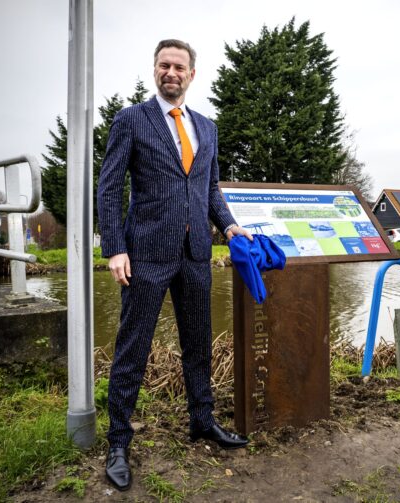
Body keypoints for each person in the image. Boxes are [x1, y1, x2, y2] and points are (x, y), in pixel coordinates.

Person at [97, 39, 253, 491]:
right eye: (164, 65)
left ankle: (202, 421)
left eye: (179, 66)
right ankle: (119, 441)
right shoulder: (131, 120)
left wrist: (229, 227)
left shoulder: (207, 126)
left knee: (199, 344)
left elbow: (211, 189)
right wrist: (114, 247)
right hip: (144, 254)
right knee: (132, 350)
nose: (171, 72)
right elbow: (109, 189)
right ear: (155, 70)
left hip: (195, 257)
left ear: (191, 74)